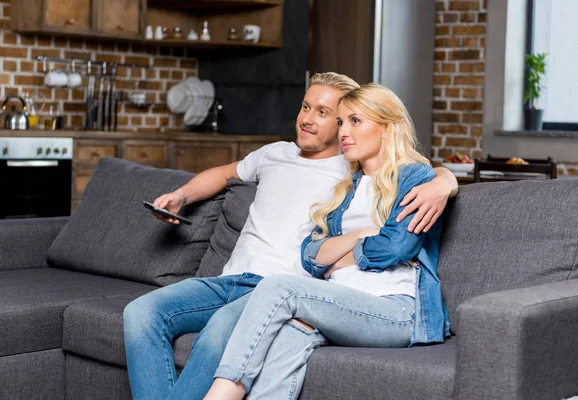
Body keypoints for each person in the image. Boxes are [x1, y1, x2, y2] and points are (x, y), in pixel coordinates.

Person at [123, 73, 458, 400]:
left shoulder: (354, 165)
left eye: (329, 115)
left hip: (296, 290)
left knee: (235, 323)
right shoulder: (327, 177)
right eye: (306, 107)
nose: (310, 119)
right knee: (141, 314)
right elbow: (309, 253)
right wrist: (181, 196)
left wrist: (445, 180)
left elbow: (404, 214)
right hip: (261, 284)